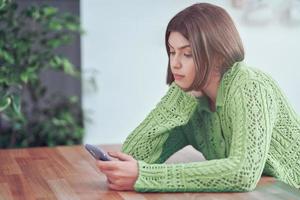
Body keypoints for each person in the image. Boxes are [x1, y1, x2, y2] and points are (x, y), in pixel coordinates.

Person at [96, 3, 300, 192]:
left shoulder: (250, 86)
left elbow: (243, 173)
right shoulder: (190, 105)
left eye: (187, 54)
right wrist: (180, 95)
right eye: (171, 51)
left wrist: (146, 176)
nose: (174, 63)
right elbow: (132, 157)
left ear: (218, 55)